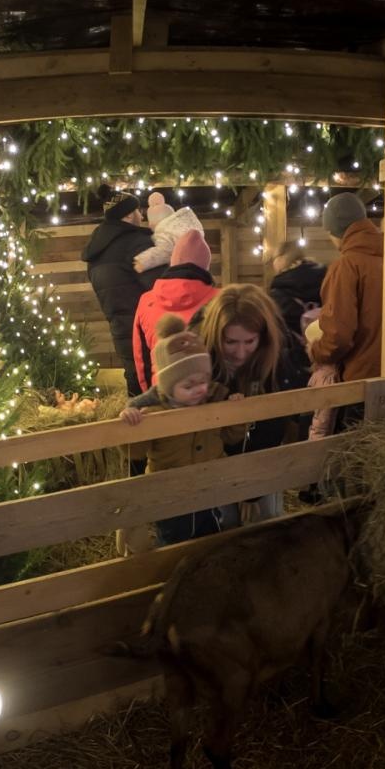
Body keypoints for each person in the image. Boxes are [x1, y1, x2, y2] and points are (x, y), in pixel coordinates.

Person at [125, 284, 307, 525]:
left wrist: (253, 491)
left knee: (266, 520)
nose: (240, 353)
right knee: (223, 524)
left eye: (249, 341)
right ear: (216, 334)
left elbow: (274, 424)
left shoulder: (274, 359)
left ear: (262, 337)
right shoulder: (196, 351)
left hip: (258, 457)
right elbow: (164, 394)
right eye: (230, 342)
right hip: (210, 463)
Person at [120, 315, 248, 546]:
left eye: (203, 381)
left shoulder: (215, 400)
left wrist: (235, 414)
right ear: (169, 386)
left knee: (217, 537)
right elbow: (135, 453)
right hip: (170, 495)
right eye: (188, 385)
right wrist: (133, 426)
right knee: (174, 540)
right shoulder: (152, 412)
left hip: (213, 488)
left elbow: (231, 437)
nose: (199, 389)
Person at [308, 192, 384, 431]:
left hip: (359, 382)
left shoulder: (346, 266)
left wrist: (316, 350)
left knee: (352, 449)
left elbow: (338, 336)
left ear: (335, 231)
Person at [83, 186, 155, 397]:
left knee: (135, 380)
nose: (141, 216)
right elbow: (158, 285)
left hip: (119, 328)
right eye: (138, 211)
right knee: (154, 385)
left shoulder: (95, 252)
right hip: (147, 328)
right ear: (128, 214)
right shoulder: (135, 242)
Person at [132, 229, 218, 392]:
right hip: (207, 392)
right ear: (205, 267)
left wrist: (150, 394)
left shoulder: (146, 301)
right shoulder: (219, 299)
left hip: (164, 393)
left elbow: (141, 358)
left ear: (173, 262)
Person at [267, 242, 328, 344]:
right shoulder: (325, 276)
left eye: (274, 259)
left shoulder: (279, 288)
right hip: (327, 343)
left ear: (280, 259)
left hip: (296, 347)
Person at [133, 192, 204, 274]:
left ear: (154, 224)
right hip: (199, 262)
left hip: (183, 268)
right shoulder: (185, 226)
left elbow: (163, 251)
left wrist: (142, 262)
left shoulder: (164, 232)